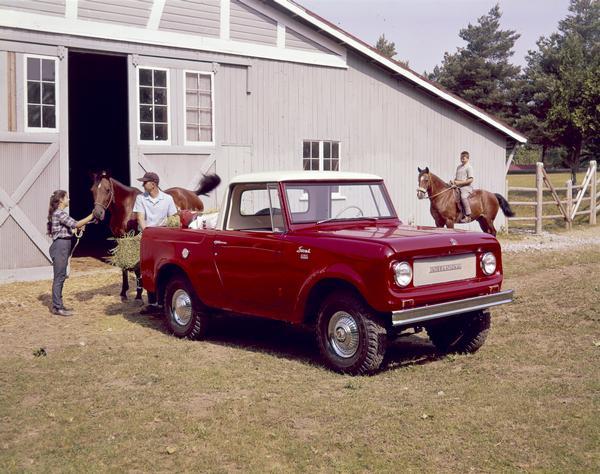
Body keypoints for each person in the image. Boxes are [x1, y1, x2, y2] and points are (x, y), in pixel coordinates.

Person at [133, 171, 177, 314]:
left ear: (153, 184)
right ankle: (152, 303)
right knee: (148, 268)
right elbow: (140, 217)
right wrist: (148, 234)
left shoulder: (167, 199)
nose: (142, 184)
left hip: (164, 238)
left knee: (163, 268)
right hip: (148, 237)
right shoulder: (141, 198)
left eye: (145, 182)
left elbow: (173, 218)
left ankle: (163, 301)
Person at [47, 190, 95, 316]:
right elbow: (76, 223)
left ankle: (59, 305)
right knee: (59, 277)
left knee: (62, 276)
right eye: (67, 197)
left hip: (63, 245)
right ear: (61, 200)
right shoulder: (59, 214)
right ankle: (57, 307)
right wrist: (92, 215)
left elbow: (72, 227)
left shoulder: (60, 214)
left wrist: (78, 228)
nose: (69, 199)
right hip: (60, 246)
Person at [450, 150, 474, 224]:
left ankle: (468, 216)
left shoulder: (469, 167)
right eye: (461, 158)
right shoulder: (459, 167)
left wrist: (459, 183)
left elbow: (471, 180)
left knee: (463, 197)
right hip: (458, 186)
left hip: (466, 187)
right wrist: (453, 182)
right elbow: (457, 178)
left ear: (467, 158)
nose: (462, 159)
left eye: (463, 158)